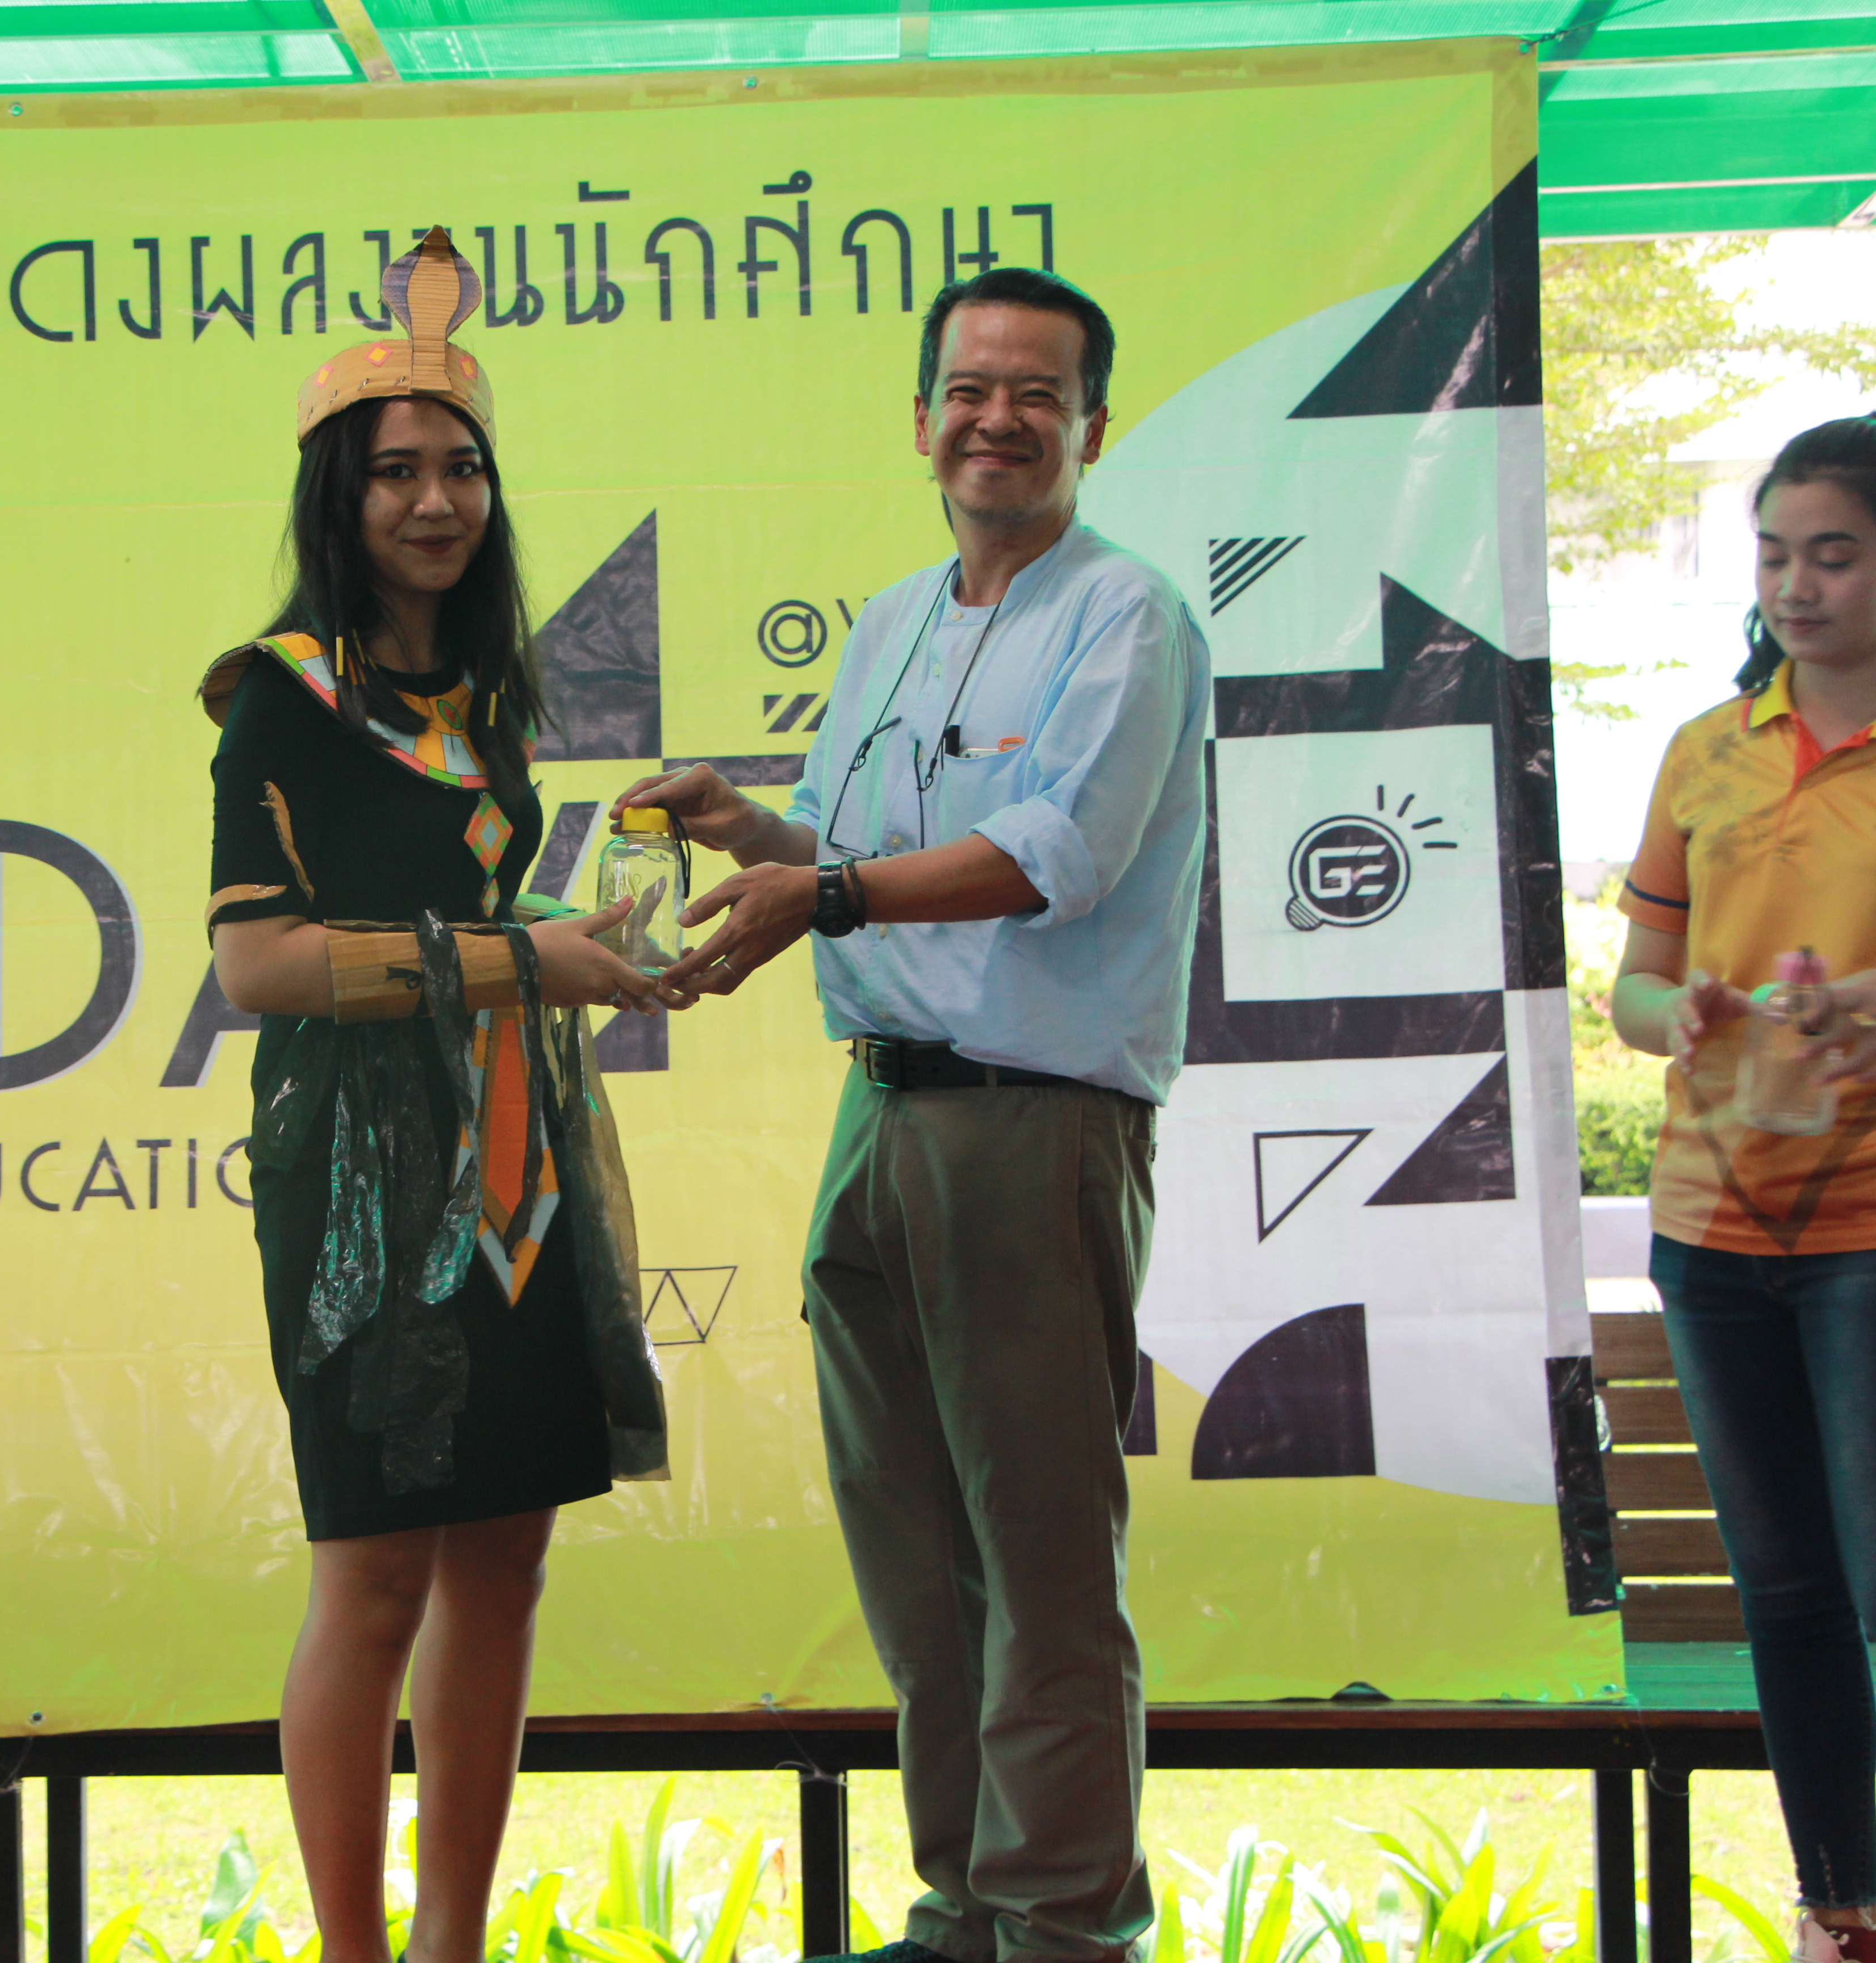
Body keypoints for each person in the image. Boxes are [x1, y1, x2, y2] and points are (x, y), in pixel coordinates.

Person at [614, 266, 1210, 1963]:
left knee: (1038, 1555)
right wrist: (749, 830)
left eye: (1037, 393)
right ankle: (966, 1903)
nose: (997, 419)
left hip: (1034, 1122)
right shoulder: (891, 621)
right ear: (924, 419)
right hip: (879, 1113)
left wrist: (828, 892)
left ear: (1094, 424)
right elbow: (853, 847)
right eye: (970, 388)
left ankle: (1065, 1923)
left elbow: (1054, 855)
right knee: (914, 1551)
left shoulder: (1130, 617)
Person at [203, 227, 674, 1963]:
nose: (434, 500)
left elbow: (471, 914)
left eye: (461, 468)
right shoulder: (281, 701)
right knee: (377, 1571)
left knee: (506, 1565)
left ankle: (450, 1944)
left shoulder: (488, 699)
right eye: (396, 471)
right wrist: (513, 962)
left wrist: (568, 941)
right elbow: (256, 967)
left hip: (512, 1161)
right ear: (340, 498)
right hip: (352, 1172)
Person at [1611, 417, 1876, 1963]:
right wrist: (1688, 1014)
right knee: (1783, 1593)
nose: (1797, 585)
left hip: (1868, 1228)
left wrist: (1853, 1005)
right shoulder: (1704, 750)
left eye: (1834, 555)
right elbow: (1638, 985)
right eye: (1776, 555)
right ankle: (1839, 1906)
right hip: (1710, 1227)